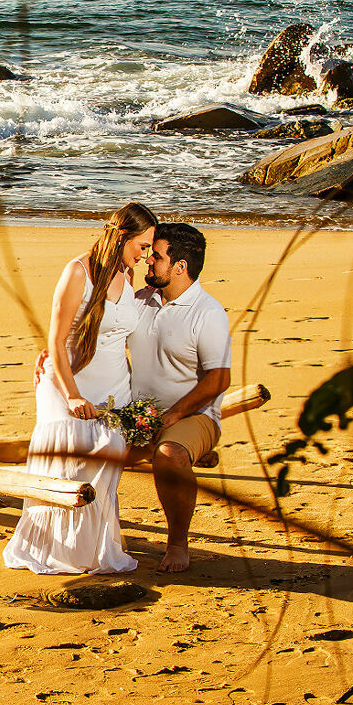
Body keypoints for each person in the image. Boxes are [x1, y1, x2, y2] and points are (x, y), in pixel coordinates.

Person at [2, 202, 156, 575]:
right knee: (68, 466)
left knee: (108, 458)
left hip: (114, 387)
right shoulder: (77, 272)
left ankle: (91, 549)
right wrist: (71, 394)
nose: (146, 254)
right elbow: (56, 340)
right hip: (68, 381)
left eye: (150, 248)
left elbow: (117, 336)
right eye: (142, 246)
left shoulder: (127, 274)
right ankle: (58, 548)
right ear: (122, 237)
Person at [130, 222, 232, 573]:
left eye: (156, 257)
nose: (148, 262)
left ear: (180, 266)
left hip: (193, 417)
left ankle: (176, 543)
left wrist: (172, 416)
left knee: (170, 453)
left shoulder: (208, 313)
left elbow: (219, 377)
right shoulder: (141, 300)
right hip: (137, 416)